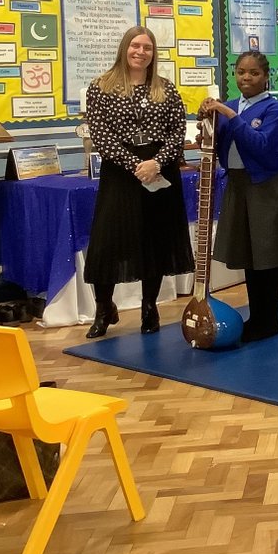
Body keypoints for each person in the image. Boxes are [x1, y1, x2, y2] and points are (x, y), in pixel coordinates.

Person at [83, 26, 194, 338]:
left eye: (147, 47)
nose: (141, 52)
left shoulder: (166, 89)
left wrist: (156, 162)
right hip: (121, 174)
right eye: (135, 46)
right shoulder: (101, 86)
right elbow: (102, 136)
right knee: (108, 242)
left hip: (160, 169)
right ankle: (104, 306)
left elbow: (177, 131)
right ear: (124, 48)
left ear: (153, 53)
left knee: (154, 241)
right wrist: (136, 165)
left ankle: (149, 306)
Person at [198, 52, 278, 343]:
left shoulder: (274, 110)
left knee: (268, 255)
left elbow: (262, 146)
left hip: (265, 186)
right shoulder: (230, 106)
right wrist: (206, 122)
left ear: (266, 76)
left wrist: (231, 117)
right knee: (249, 254)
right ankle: (256, 315)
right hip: (239, 185)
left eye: (254, 73)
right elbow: (218, 144)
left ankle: (269, 319)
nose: (246, 78)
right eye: (241, 72)